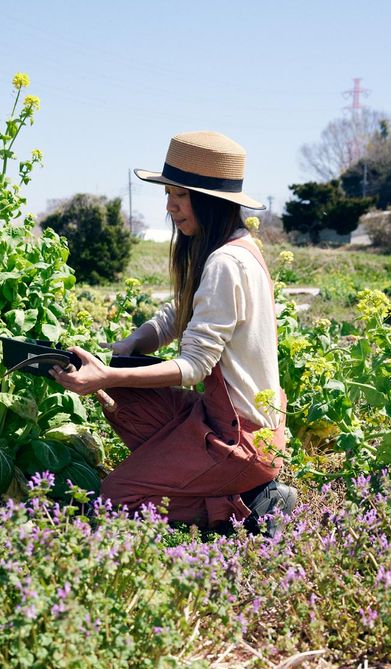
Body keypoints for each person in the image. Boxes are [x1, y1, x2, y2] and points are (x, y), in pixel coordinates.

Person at [51, 130, 297, 534]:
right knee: (122, 398)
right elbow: (177, 314)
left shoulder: (226, 262)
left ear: (209, 200)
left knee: (114, 500)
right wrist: (133, 344)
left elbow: (195, 365)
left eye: (179, 196)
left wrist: (107, 374)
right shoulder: (237, 247)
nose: (170, 207)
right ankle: (234, 490)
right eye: (168, 195)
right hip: (227, 422)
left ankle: (252, 505)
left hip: (239, 438)